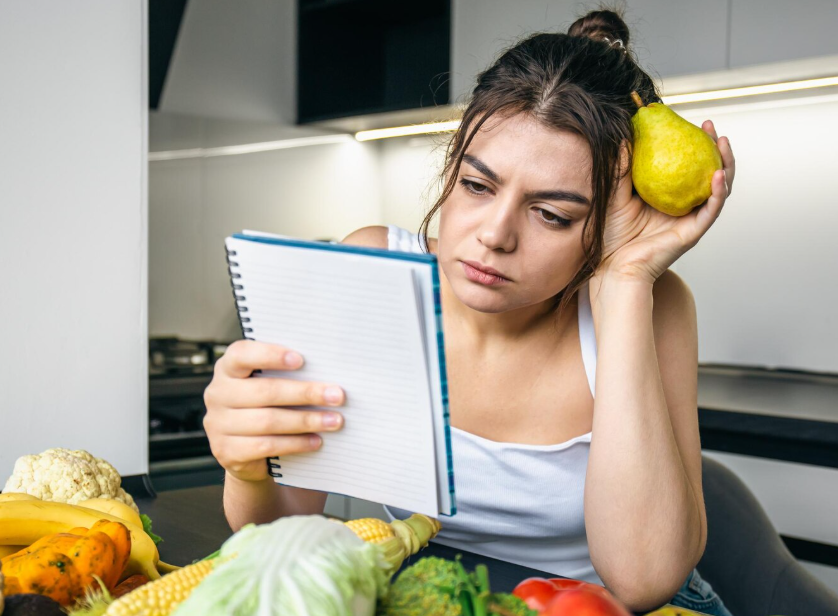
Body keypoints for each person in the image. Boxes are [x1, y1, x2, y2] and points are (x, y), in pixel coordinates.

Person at [202, 8, 737, 614]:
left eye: (552, 215)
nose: (495, 235)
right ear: (451, 165)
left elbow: (643, 582)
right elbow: (281, 535)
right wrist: (247, 467)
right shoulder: (376, 270)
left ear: (608, 221)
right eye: (478, 186)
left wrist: (624, 281)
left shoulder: (649, 302)